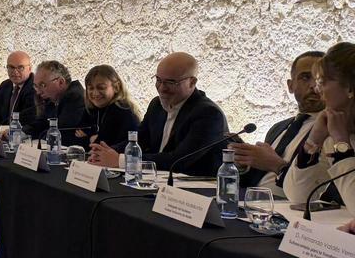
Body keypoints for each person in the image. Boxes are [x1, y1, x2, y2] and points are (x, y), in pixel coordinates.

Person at [89, 52, 229, 175]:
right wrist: (104, 152)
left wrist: (121, 160)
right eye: (158, 80)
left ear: (192, 82)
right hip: (154, 180)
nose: (162, 88)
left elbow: (179, 161)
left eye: (170, 82)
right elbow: (140, 140)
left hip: (191, 192)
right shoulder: (156, 104)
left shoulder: (208, 114)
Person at [232, 51, 324, 195]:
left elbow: (315, 187)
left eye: (320, 79)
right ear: (290, 85)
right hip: (254, 203)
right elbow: (257, 178)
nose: (313, 86)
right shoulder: (278, 128)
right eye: (305, 77)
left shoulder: (330, 130)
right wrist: (244, 162)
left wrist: (275, 164)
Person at [285, 44, 355, 208]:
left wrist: (341, 143)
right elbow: (298, 196)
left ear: (350, 88)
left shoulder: (338, 136)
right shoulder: (334, 129)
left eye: (322, 82)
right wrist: (313, 140)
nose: (317, 90)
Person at [75, 64, 141, 150]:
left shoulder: (121, 110)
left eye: (101, 88)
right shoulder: (91, 109)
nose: (95, 93)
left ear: (116, 87)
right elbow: (75, 139)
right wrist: (91, 139)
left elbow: (102, 146)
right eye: (91, 88)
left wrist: (89, 138)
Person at [28, 60, 86, 142]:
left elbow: (60, 132)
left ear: (61, 82)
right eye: (36, 86)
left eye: (42, 85)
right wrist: (22, 132)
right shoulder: (53, 98)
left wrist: (41, 136)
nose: (38, 91)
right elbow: (42, 123)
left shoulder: (75, 97)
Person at [0, 51, 36, 127]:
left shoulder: (35, 87)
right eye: (11, 67)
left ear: (29, 68)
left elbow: (30, 119)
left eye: (20, 67)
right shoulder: (5, 86)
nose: (15, 72)